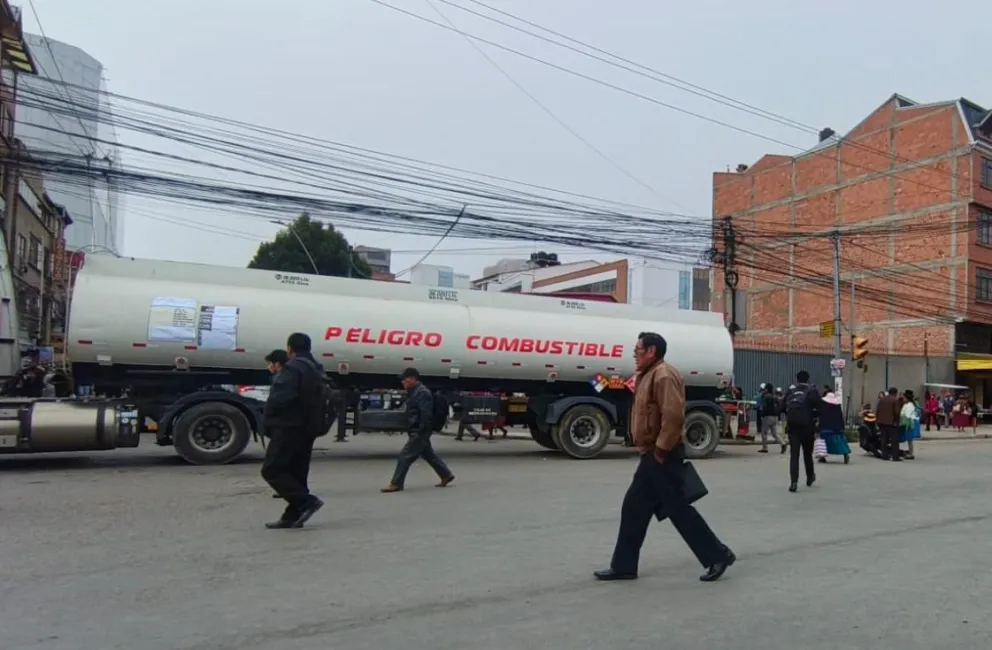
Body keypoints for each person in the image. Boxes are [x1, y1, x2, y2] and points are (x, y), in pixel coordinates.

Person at [594, 332, 735, 583]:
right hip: (651, 453)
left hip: (662, 454)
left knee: (677, 508)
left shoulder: (664, 375)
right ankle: (624, 565)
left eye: (638, 350)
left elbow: (673, 416)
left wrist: (660, 450)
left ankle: (718, 554)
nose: (634, 354)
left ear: (651, 352)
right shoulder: (648, 374)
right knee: (634, 507)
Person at [260, 333, 325, 529]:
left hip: (288, 427)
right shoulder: (315, 368)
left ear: (290, 349)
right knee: (297, 472)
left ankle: (306, 502)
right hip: (307, 427)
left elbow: (280, 398)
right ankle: (292, 516)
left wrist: (267, 420)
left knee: (271, 469)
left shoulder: (293, 367)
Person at [381, 368, 455, 492]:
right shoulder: (414, 391)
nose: (403, 382)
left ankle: (396, 483)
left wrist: (420, 430)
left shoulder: (422, 392)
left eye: (405, 379)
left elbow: (425, 414)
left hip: (420, 430)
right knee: (428, 454)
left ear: (413, 379)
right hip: (416, 429)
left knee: (405, 456)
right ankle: (446, 475)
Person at [783, 371, 821, 492]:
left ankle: (793, 482)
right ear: (808, 379)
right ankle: (810, 476)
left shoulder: (791, 391)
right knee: (807, 455)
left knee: (794, 455)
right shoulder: (812, 391)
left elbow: (781, 407)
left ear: (797, 379)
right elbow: (820, 408)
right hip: (807, 427)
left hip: (792, 428)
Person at [817, 391, 850, 464]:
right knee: (840, 441)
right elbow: (840, 417)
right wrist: (842, 427)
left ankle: (822, 457)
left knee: (824, 441)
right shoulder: (837, 406)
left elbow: (820, 414)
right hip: (837, 427)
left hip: (826, 427)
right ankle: (845, 454)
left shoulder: (823, 404)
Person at [875, 387, 902, 461]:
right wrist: (897, 421)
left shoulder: (882, 399)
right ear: (895, 393)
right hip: (891, 423)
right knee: (894, 440)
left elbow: (877, 410)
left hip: (881, 422)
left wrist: (877, 420)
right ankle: (895, 457)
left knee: (884, 440)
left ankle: (885, 455)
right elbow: (896, 413)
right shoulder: (895, 400)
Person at [757, 384, 786, 454]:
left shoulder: (765, 396)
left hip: (767, 416)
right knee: (775, 433)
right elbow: (779, 403)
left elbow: (759, 401)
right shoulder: (775, 396)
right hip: (775, 416)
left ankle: (765, 448)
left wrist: (762, 393)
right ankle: (783, 443)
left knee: (764, 433)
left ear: (766, 389)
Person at [900, 390, 921, 460]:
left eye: (904, 397)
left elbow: (907, 415)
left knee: (910, 439)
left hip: (909, 423)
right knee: (909, 439)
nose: (903, 399)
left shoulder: (910, 405)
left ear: (907, 398)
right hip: (908, 422)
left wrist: (902, 416)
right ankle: (910, 452)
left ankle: (911, 453)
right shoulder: (908, 404)